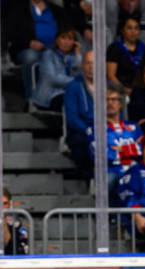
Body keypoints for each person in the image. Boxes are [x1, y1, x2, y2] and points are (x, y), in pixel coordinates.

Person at [3, 0, 70, 100]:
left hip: (54, 48)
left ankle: (64, 99)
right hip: (27, 48)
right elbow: (10, 32)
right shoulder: (18, 9)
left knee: (70, 57)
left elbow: (67, 30)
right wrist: (29, 42)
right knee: (31, 57)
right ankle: (32, 98)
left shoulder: (56, 10)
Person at [91, 83, 144, 207]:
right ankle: (115, 218)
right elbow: (102, 155)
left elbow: (143, 149)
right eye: (106, 100)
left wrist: (120, 150)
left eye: (114, 99)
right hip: (111, 172)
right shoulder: (95, 129)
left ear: (120, 103)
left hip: (134, 169)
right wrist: (131, 150)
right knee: (114, 181)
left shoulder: (133, 127)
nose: (110, 103)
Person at [31, 24, 81, 113]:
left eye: (70, 39)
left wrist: (77, 54)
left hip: (68, 93)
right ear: (57, 40)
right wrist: (75, 81)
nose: (66, 42)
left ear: (74, 42)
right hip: (50, 96)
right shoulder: (48, 55)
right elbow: (53, 79)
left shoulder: (73, 57)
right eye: (63, 38)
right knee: (74, 101)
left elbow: (81, 74)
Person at [64, 50, 95, 178]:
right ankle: (86, 176)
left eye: (95, 63)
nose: (91, 67)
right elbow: (72, 118)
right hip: (81, 131)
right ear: (82, 65)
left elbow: (117, 113)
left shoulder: (109, 86)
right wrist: (88, 130)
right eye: (88, 63)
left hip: (106, 129)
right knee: (81, 143)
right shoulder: (73, 86)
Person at [107, 18, 145, 93]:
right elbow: (111, 75)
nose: (133, 32)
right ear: (122, 30)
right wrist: (124, 91)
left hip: (141, 91)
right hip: (119, 91)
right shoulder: (114, 48)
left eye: (136, 28)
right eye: (129, 28)